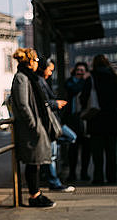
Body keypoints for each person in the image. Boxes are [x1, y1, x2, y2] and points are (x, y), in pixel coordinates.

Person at [9, 48, 56, 208]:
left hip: (35, 125)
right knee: (32, 161)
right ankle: (34, 195)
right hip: (30, 128)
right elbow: (23, 104)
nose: (37, 64)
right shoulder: (21, 78)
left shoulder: (29, 77)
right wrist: (33, 124)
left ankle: (36, 193)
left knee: (36, 161)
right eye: (35, 60)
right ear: (30, 61)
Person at [81, 54, 117, 184]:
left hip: (95, 120)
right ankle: (112, 178)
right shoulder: (114, 77)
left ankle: (98, 178)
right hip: (111, 120)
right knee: (111, 153)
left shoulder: (91, 78)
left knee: (97, 153)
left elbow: (83, 99)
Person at [36, 58, 76, 192]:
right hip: (51, 123)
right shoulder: (39, 81)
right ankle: (54, 182)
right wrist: (55, 104)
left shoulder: (42, 81)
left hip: (53, 122)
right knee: (52, 154)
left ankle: (54, 181)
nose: (51, 73)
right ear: (43, 68)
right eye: (50, 70)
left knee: (70, 138)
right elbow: (43, 103)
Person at [59, 61, 91, 182]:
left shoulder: (88, 82)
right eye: (78, 71)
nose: (80, 73)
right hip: (72, 118)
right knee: (73, 147)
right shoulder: (70, 82)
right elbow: (74, 90)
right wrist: (84, 80)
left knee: (86, 148)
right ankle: (72, 173)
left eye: (82, 71)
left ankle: (84, 172)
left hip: (84, 118)